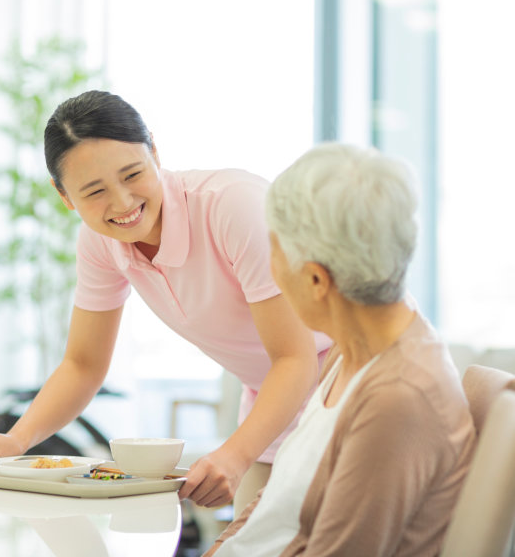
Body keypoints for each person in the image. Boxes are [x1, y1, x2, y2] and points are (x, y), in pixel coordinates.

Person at [0, 90, 332, 512]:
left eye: (132, 174)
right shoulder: (99, 242)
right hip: (274, 398)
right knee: (249, 542)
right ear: (64, 196)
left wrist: (235, 455)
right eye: (94, 191)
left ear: (154, 149)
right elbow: (83, 364)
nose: (122, 203)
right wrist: (16, 441)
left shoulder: (233, 206)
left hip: (348, 378)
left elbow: (296, 358)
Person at [204, 143, 476, 556]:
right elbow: (276, 503)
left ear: (316, 280)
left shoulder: (397, 397)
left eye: (272, 253)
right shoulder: (349, 352)